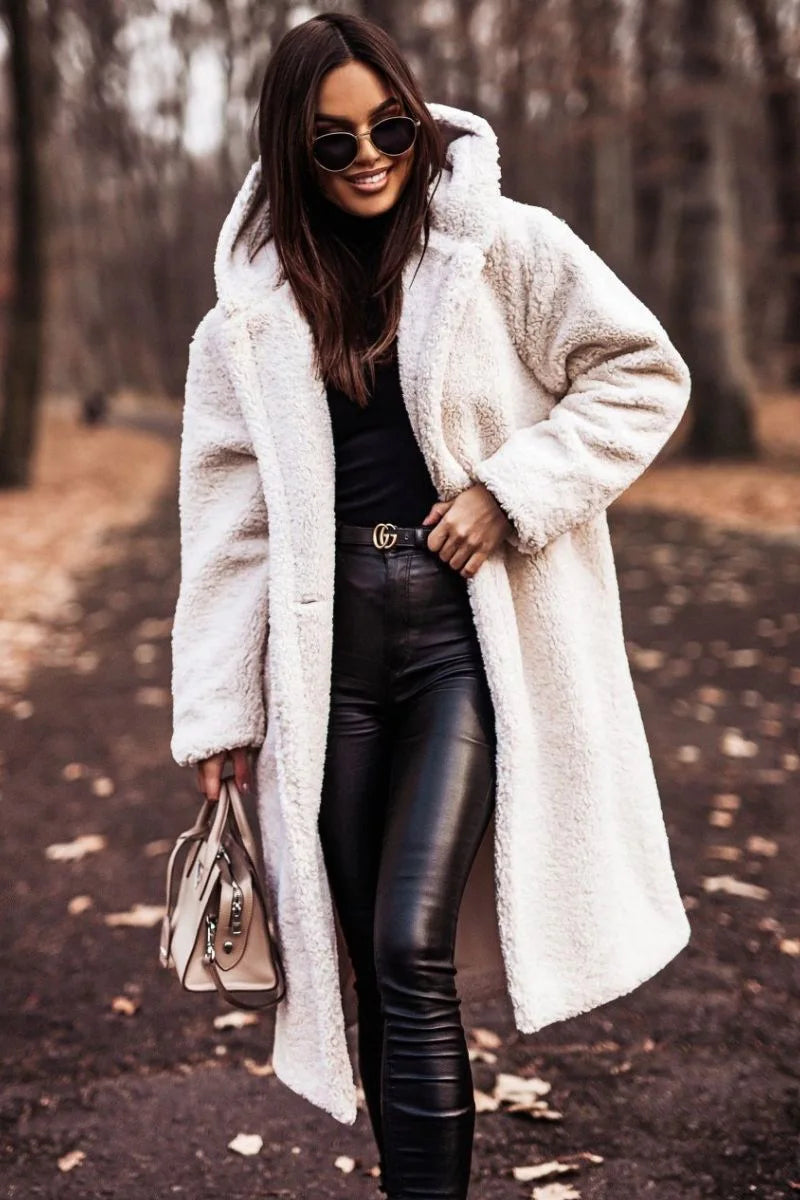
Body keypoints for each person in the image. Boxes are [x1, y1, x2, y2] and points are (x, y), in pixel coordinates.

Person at [170, 11, 693, 1200]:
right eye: (332, 139)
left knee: (410, 937)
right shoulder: (242, 323)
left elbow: (639, 371)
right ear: (288, 152)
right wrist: (217, 712)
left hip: (463, 637)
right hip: (327, 657)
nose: (367, 155)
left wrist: (511, 493)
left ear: (417, 121)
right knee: (366, 957)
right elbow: (228, 525)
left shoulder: (502, 245)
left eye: (389, 127)